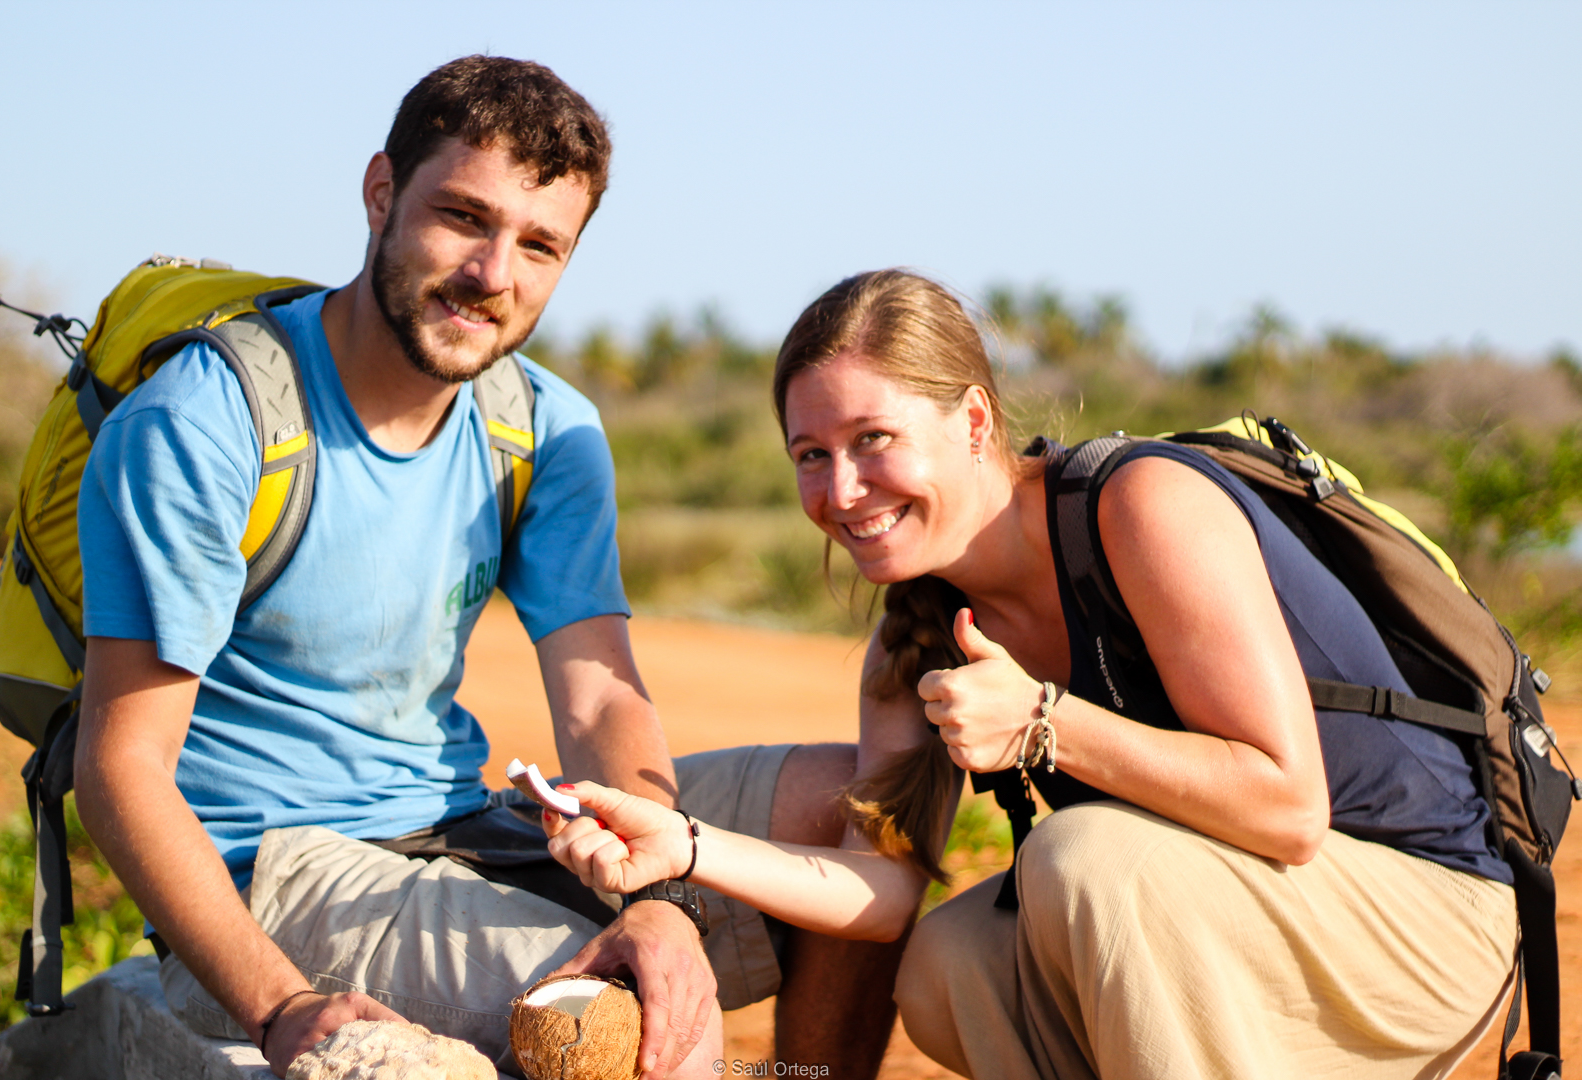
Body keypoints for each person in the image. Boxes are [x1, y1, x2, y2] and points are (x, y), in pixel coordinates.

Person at [71, 57, 897, 1080]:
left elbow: (598, 701)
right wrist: (282, 1005)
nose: (494, 273)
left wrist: (662, 901)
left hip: (460, 824)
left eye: (540, 244)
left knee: (859, 804)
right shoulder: (210, 421)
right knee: (630, 1014)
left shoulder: (542, 429)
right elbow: (119, 770)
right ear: (381, 193)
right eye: (464, 217)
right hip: (272, 869)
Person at [544, 269, 1521, 1080]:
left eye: (873, 440)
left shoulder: (1140, 508)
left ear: (974, 423)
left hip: (1429, 924)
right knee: (949, 961)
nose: (841, 492)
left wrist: (1047, 722)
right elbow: (882, 896)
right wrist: (680, 844)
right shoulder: (914, 635)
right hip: (1264, 927)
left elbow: (1290, 808)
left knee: (1078, 862)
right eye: (812, 454)